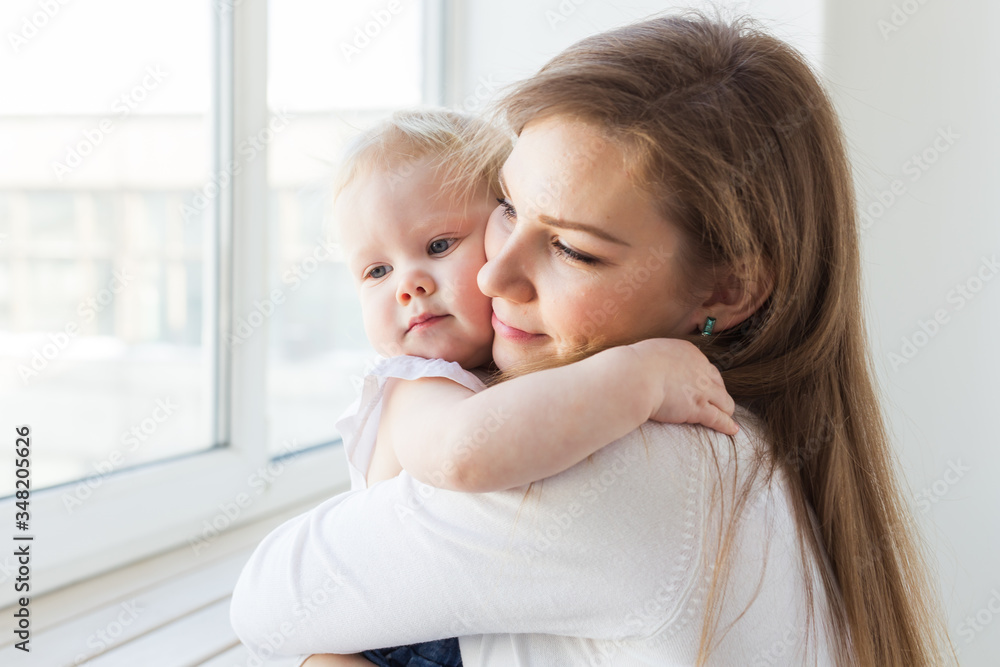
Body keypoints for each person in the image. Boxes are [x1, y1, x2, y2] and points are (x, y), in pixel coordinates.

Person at [231, 12, 954, 666]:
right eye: (510, 207)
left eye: (573, 250)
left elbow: (265, 601)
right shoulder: (748, 435)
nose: (491, 277)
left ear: (726, 291)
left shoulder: (632, 469)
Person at [301, 109, 738, 667]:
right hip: (401, 644)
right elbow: (466, 453)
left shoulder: (529, 373)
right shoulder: (415, 385)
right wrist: (640, 376)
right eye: (376, 272)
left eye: (439, 246)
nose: (409, 285)